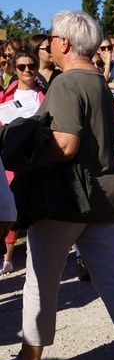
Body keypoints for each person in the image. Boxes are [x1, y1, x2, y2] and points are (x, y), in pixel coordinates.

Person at [0, 10, 114, 360]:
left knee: (42, 280)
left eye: (53, 38)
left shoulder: (66, 82)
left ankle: (30, 359)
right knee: (112, 277)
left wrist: (26, 143)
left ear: (66, 43)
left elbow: (66, 145)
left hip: (66, 197)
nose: (49, 45)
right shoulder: (99, 81)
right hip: (104, 196)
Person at [0, 50, 46, 276]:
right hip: (12, 162)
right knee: (11, 209)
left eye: (31, 65)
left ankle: (37, 259)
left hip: (40, 161)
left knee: (39, 212)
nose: (27, 70)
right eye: (22, 66)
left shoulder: (46, 94)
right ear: (15, 69)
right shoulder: (5, 97)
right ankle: (7, 258)